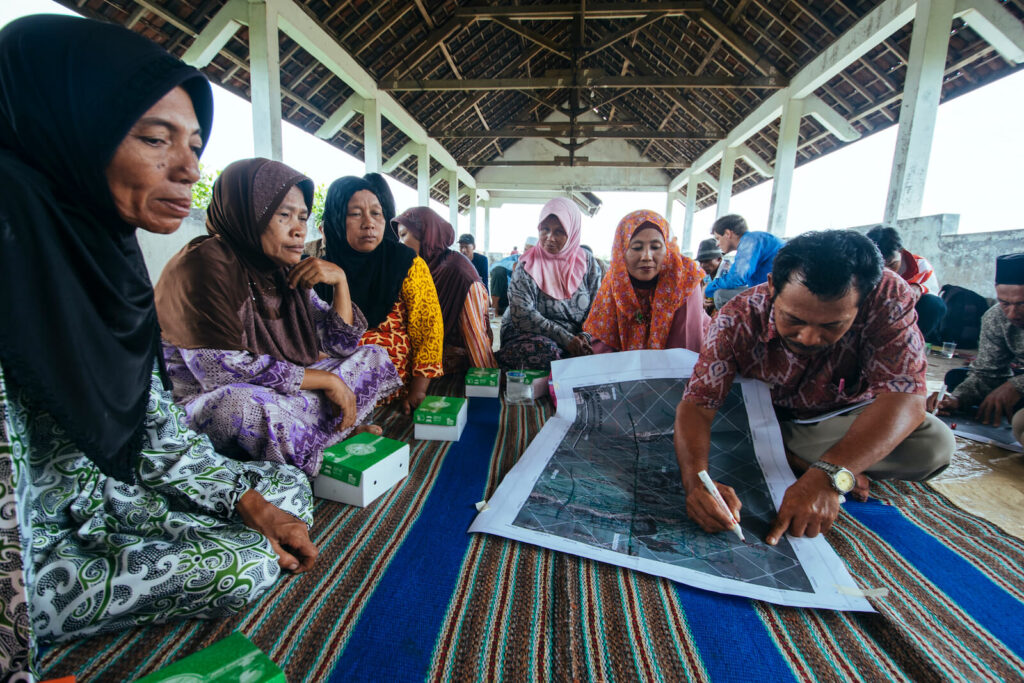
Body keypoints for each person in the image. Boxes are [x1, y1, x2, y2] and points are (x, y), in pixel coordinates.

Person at [0, 16, 317, 678]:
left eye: (195, 145)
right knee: (250, 557)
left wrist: (247, 503)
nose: (189, 168)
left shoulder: (107, 256)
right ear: (70, 131)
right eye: (154, 139)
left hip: (115, 495)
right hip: (28, 550)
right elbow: (216, 370)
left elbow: (151, 427)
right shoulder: (17, 250)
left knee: (284, 486)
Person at [675, 231, 954, 546]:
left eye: (831, 325)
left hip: (835, 420)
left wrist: (827, 477)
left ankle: (799, 461)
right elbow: (698, 405)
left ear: (863, 301)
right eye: (793, 319)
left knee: (935, 445)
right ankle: (798, 459)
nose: (808, 337)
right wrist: (696, 483)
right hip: (761, 422)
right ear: (771, 287)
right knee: (696, 435)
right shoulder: (738, 316)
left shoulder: (887, 296)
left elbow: (905, 399)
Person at [155, 159, 402, 477]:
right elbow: (219, 370)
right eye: (284, 215)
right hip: (206, 402)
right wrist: (326, 380)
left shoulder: (281, 269)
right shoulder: (204, 265)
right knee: (240, 405)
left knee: (373, 356)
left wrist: (340, 281)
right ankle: (319, 452)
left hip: (278, 390)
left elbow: (339, 343)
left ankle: (314, 439)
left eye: (302, 217)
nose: (299, 229)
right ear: (248, 214)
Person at [320, 174, 444, 413]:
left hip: (389, 381)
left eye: (376, 213)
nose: (369, 223)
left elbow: (428, 329)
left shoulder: (406, 263)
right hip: (330, 380)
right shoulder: (323, 270)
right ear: (336, 220)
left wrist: (418, 391)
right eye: (355, 214)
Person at [497, 198, 604, 371]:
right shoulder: (527, 264)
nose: (549, 238)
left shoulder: (588, 263)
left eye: (559, 231)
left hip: (577, 336)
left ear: (572, 232)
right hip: (532, 335)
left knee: (605, 352)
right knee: (544, 353)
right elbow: (522, 314)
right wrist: (567, 340)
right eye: (545, 229)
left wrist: (584, 337)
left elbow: (598, 309)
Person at [931, 253, 1024, 444]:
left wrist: (1017, 386)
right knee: (957, 380)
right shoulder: (995, 317)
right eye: (1005, 303)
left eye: (1022, 304)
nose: (1012, 313)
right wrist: (955, 398)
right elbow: (988, 372)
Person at [585, 210, 709, 353]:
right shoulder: (615, 282)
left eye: (655, 247)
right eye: (637, 248)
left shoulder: (684, 279)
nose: (646, 256)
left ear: (667, 249)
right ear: (621, 251)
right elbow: (603, 343)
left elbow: (685, 349)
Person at [396, 208, 497, 371]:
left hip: (453, 355)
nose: (400, 243)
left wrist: (486, 378)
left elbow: (474, 334)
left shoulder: (457, 272)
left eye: (403, 235)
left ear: (426, 234)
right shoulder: (419, 268)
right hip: (427, 353)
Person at [866, 226, 947, 342]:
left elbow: (932, 292)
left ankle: (912, 343)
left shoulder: (920, 266)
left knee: (934, 303)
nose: (887, 271)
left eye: (892, 264)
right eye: (881, 266)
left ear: (901, 251)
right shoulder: (864, 265)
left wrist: (919, 288)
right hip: (875, 315)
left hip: (906, 317)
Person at [704, 214, 784, 309]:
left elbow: (736, 278)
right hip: (773, 289)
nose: (717, 244)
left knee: (720, 295)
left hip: (780, 294)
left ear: (727, 233)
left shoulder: (750, 242)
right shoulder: (753, 240)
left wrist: (707, 289)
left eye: (718, 238)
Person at [696, 237, 731, 314]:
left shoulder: (729, 271)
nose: (703, 265)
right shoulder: (704, 273)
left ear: (719, 259)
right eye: (700, 262)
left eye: (706, 261)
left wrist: (705, 290)